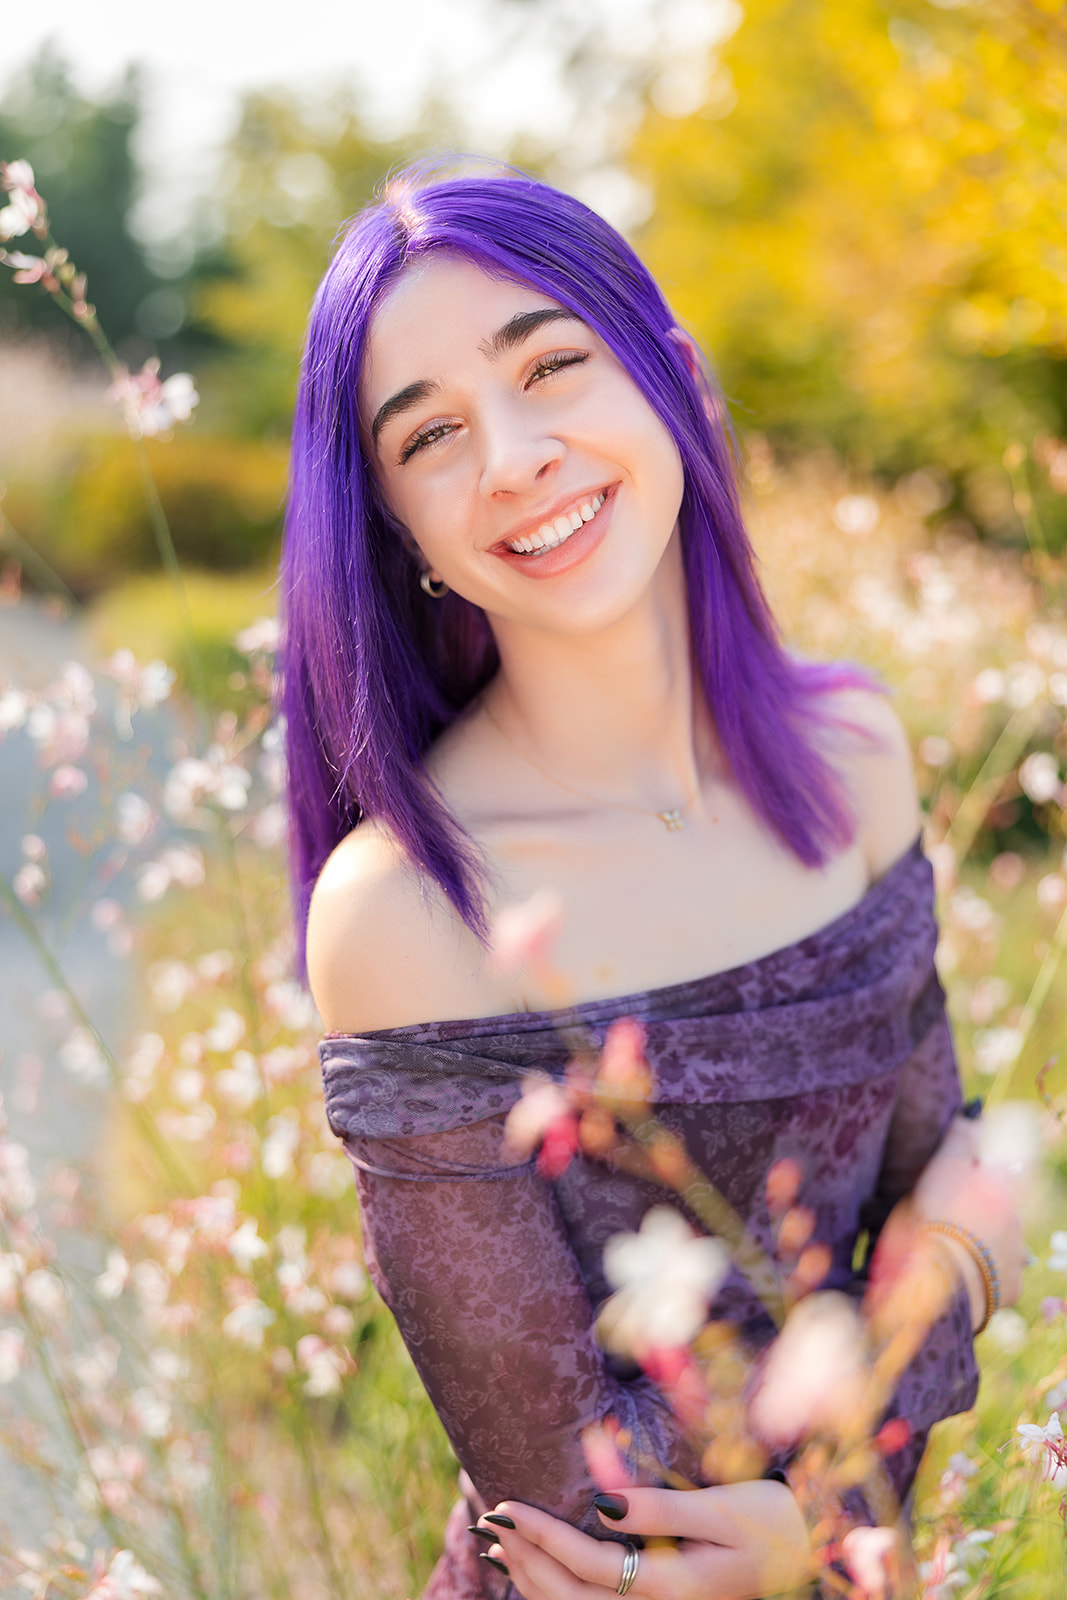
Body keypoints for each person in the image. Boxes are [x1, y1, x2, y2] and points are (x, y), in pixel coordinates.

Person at [281, 161, 1023, 1600]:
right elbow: (579, 1516)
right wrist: (916, 1324)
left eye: (551, 364)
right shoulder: (408, 912)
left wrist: (816, 1515)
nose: (510, 457)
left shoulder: (855, 752)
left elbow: (963, 1164)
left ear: (670, 378)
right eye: (429, 435)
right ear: (398, 534)